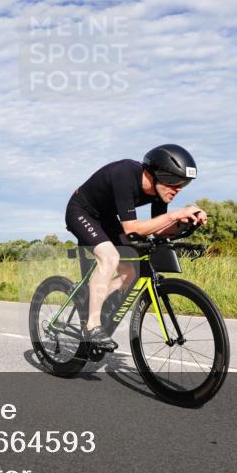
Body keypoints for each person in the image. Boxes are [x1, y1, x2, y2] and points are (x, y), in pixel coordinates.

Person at [65, 144, 208, 352]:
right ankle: (92, 325)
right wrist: (174, 214)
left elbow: (158, 229)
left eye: (183, 184)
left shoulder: (160, 192)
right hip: (81, 211)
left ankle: (90, 297)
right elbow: (132, 228)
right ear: (155, 174)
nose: (178, 189)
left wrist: (186, 223)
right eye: (174, 182)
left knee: (129, 272)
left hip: (105, 219)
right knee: (109, 257)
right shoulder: (125, 174)